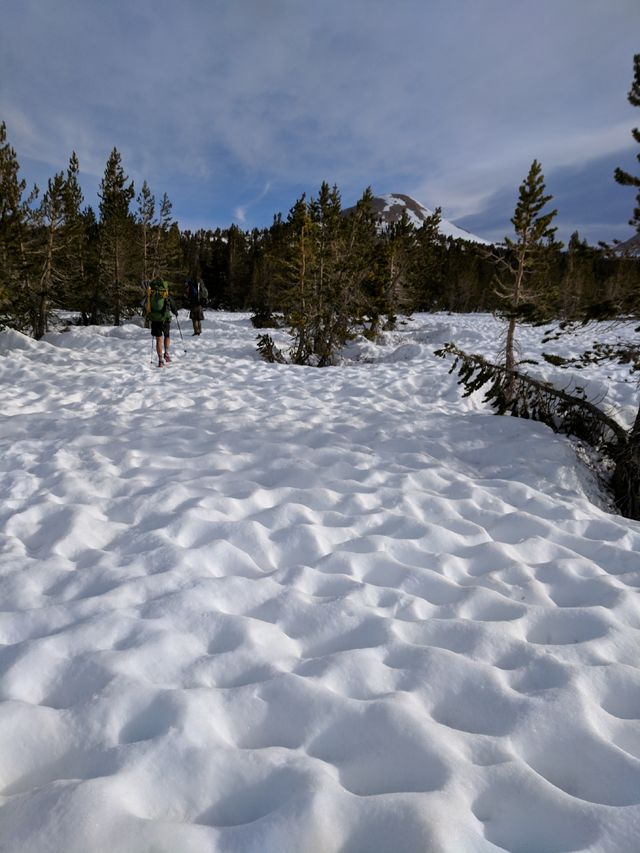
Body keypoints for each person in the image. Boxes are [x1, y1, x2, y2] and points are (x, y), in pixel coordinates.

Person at [145, 279, 178, 368]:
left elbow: (146, 305)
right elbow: (173, 304)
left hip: (155, 319)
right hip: (165, 318)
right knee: (167, 336)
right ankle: (166, 353)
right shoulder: (165, 293)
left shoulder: (151, 294)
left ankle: (160, 360)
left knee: (158, 339)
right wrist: (175, 312)